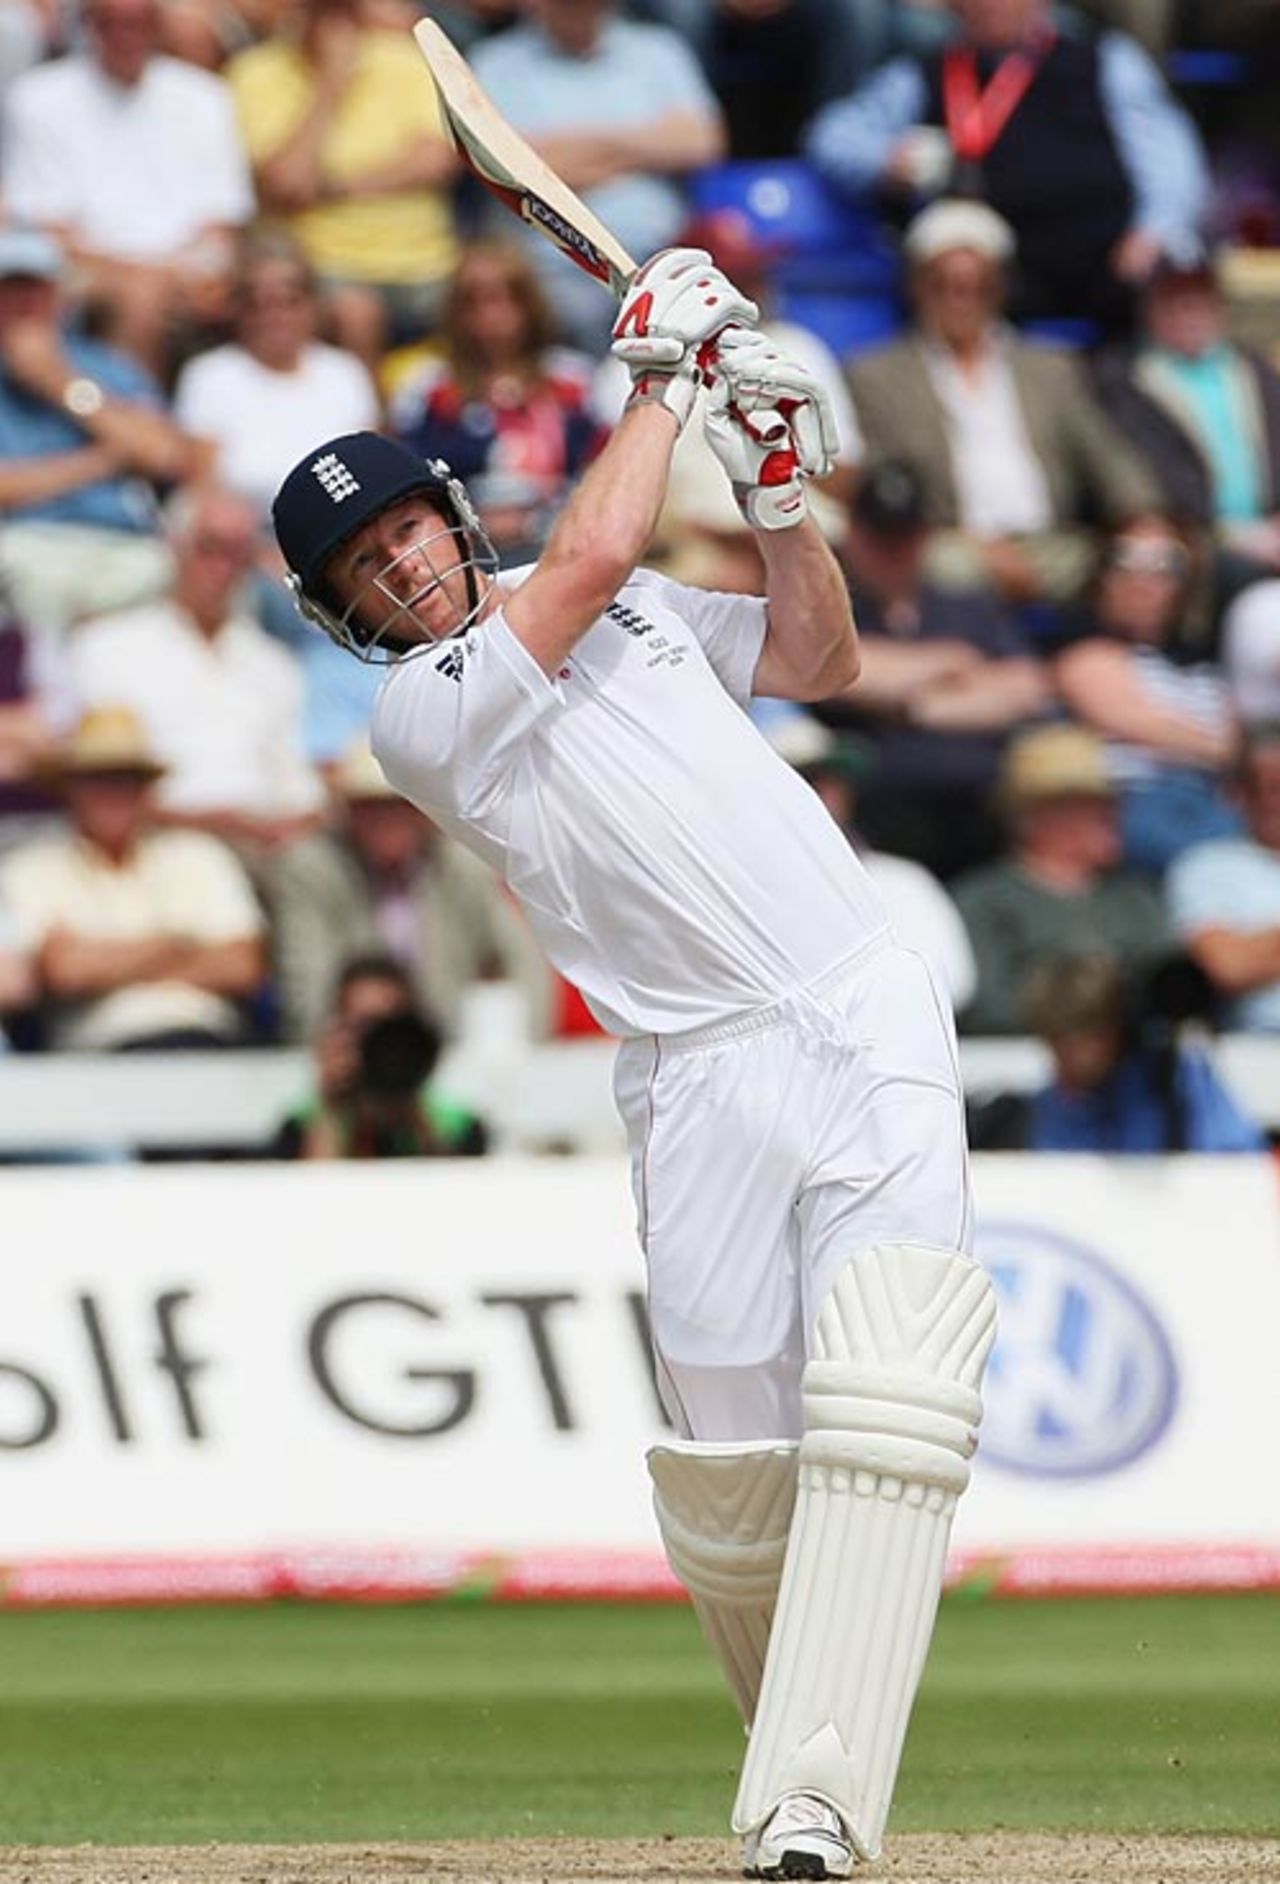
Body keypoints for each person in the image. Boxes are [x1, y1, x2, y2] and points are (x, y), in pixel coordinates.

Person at [270, 245, 996, 1879]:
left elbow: (821, 662)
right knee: (734, 1469)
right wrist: (664, 372)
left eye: (400, 529)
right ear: (341, 611)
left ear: (447, 513)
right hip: (692, 1073)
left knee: (891, 1379)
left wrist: (785, 495)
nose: (396, 569)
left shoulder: (649, 603)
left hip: (855, 997)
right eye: (360, 565)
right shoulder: (428, 713)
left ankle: (813, 1806)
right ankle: (791, 1764)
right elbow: (593, 544)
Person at [804, 0, 1210, 334]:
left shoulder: (1104, 61)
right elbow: (830, 137)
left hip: (1099, 272)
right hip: (981, 280)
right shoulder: (923, 73)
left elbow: (1173, 160)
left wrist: (1155, 230)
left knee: (1170, 285)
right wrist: (886, 161)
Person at [845, 199, 1162, 604]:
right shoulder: (877, 374)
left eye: (978, 286)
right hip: (945, 542)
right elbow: (882, 481)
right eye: (945, 284)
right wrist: (975, 546)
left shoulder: (1052, 367)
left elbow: (1105, 452)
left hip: (1057, 544)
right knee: (949, 568)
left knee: (1150, 564)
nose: (962, 299)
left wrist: (1144, 519)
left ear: (1000, 287)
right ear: (918, 286)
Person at [812, 457, 1054, 879]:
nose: (893, 551)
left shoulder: (964, 604)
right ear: (853, 533)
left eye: (905, 536)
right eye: (879, 536)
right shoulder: (830, 604)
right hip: (884, 810)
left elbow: (1027, 686)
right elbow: (832, 668)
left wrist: (912, 706)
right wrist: (952, 661)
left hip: (983, 807)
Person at [66, 485, 325, 860]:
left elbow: (302, 790)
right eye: (210, 548)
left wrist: (286, 825)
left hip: (266, 851)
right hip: (155, 848)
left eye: (239, 555)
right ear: (175, 549)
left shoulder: (274, 663)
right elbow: (100, 782)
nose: (222, 569)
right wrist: (215, 823)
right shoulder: (105, 647)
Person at [1, 0, 255, 377]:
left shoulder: (205, 97)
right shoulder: (38, 97)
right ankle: (137, 421)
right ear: (88, 27)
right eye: (112, 24)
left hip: (185, 266)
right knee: (139, 299)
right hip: (78, 264)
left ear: (156, 27)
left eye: (136, 24)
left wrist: (177, 271)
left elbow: (222, 218)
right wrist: (139, 275)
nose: (125, 36)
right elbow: (44, 222)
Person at [0, 705, 268, 1050]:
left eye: (126, 779)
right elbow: (62, 971)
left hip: (211, 1044)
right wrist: (177, 943)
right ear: (69, 788)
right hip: (100, 1058)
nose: (113, 792)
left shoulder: (199, 856)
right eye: (97, 778)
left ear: (146, 788)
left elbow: (243, 966)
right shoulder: (32, 868)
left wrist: (108, 967)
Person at [471, 0, 726, 350]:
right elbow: (511, 168)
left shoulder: (659, 51)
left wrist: (576, 150)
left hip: (659, 262)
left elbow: (700, 143)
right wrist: (642, 149)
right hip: (553, 268)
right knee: (568, 312)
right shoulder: (495, 63)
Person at [271, 737, 555, 1043]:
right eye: (371, 806)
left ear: (424, 810)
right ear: (348, 811)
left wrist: (523, 1050)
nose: (388, 819)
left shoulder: (462, 865)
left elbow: (523, 962)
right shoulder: (312, 869)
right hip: (352, 1053)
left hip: (452, 1046)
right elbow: (306, 982)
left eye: (402, 805)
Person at [226, 0, 460, 368]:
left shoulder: (404, 59)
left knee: (492, 292)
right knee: (357, 313)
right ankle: (369, 425)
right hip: (326, 264)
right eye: (318, 11)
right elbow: (286, 185)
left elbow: (436, 162)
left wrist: (332, 188)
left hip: (427, 263)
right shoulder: (255, 72)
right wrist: (331, 86)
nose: (330, 23)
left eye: (341, 10)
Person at [0, 224, 202, 638]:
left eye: (34, 289)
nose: (23, 303)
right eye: (10, 289)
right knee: (35, 581)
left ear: (58, 296)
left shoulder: (104, 366)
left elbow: (166, 455)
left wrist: (59, 384)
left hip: (125, 545)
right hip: (27, 544)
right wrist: (102, 459)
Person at [388, 239, 609, 561]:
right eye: (473, 302)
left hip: (563, 544)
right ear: (455, 310)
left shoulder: (573, 382)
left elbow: (599, 470)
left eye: (505, 298)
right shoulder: (427, 389)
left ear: (530, 305)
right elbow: (413, 485)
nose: (491, 315)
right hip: (466, 554)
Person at [953, 721, 1173, 1033]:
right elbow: (987, 1004)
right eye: (1092, 804)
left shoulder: (1136, 898)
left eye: (1112, 802)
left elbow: (1171, 989)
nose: (1112, 814)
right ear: (1039, 814)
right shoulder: (984, 902)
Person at [1052, 514, 1242, 874]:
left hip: (1215, 805)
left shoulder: (1206, 670)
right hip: (1138, 803)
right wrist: (1221, 750)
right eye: (1124, 559)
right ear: (1101, 575)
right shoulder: (1087, 656)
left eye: (1164, 564)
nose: (1142, 580)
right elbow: (1139, 725)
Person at [969, 948, 1264, 1152]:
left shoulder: (1176, 1078)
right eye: (1057, 1041)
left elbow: (1235, 1163)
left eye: (1086, 1036)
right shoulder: (1045, 1110)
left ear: (1114, 1029)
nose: (1070, 1056)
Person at [271, 951, 489, 1159]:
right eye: (364, 1026)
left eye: (389, 1027)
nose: (379, 1043)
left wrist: (414, 1115)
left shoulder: (458, 1125)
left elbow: (458, 1190)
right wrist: (331, 1109)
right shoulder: (300, 1126)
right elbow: (307, 1192)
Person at [1166, 723, 1280, 1035]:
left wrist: (1261, 947)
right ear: (1242, 795)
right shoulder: (1207, 866)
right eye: (1272, 788)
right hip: (1260, 1042)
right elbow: (1228, 967)